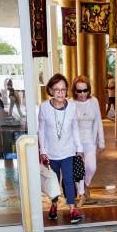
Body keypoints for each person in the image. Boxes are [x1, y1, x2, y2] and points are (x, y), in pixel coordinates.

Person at [38, 73, 83, 224]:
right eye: (56, 89)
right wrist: (42, 151)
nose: (60, 93)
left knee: (69, 180)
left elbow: (75, 128)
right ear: (50, 90)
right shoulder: (44, 107)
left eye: (63, 90)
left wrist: (79, 148)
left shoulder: (72, 107)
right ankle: (54, 205)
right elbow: (41, 131)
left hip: (68, 151)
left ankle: (72, 209)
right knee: (54, 181)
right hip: (51, 153)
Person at [71, 75, 105, 204]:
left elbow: (98, 122)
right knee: (79, 168)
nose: (82, 94)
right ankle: (82, 194)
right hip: (76, 142)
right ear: (74, 91)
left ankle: (85, 185)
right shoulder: (71, 103)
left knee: (91, 167)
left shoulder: (94, 101)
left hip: (90, 139)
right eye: (79, 91)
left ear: (88, 90)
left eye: (85, 90)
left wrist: (101, 142)